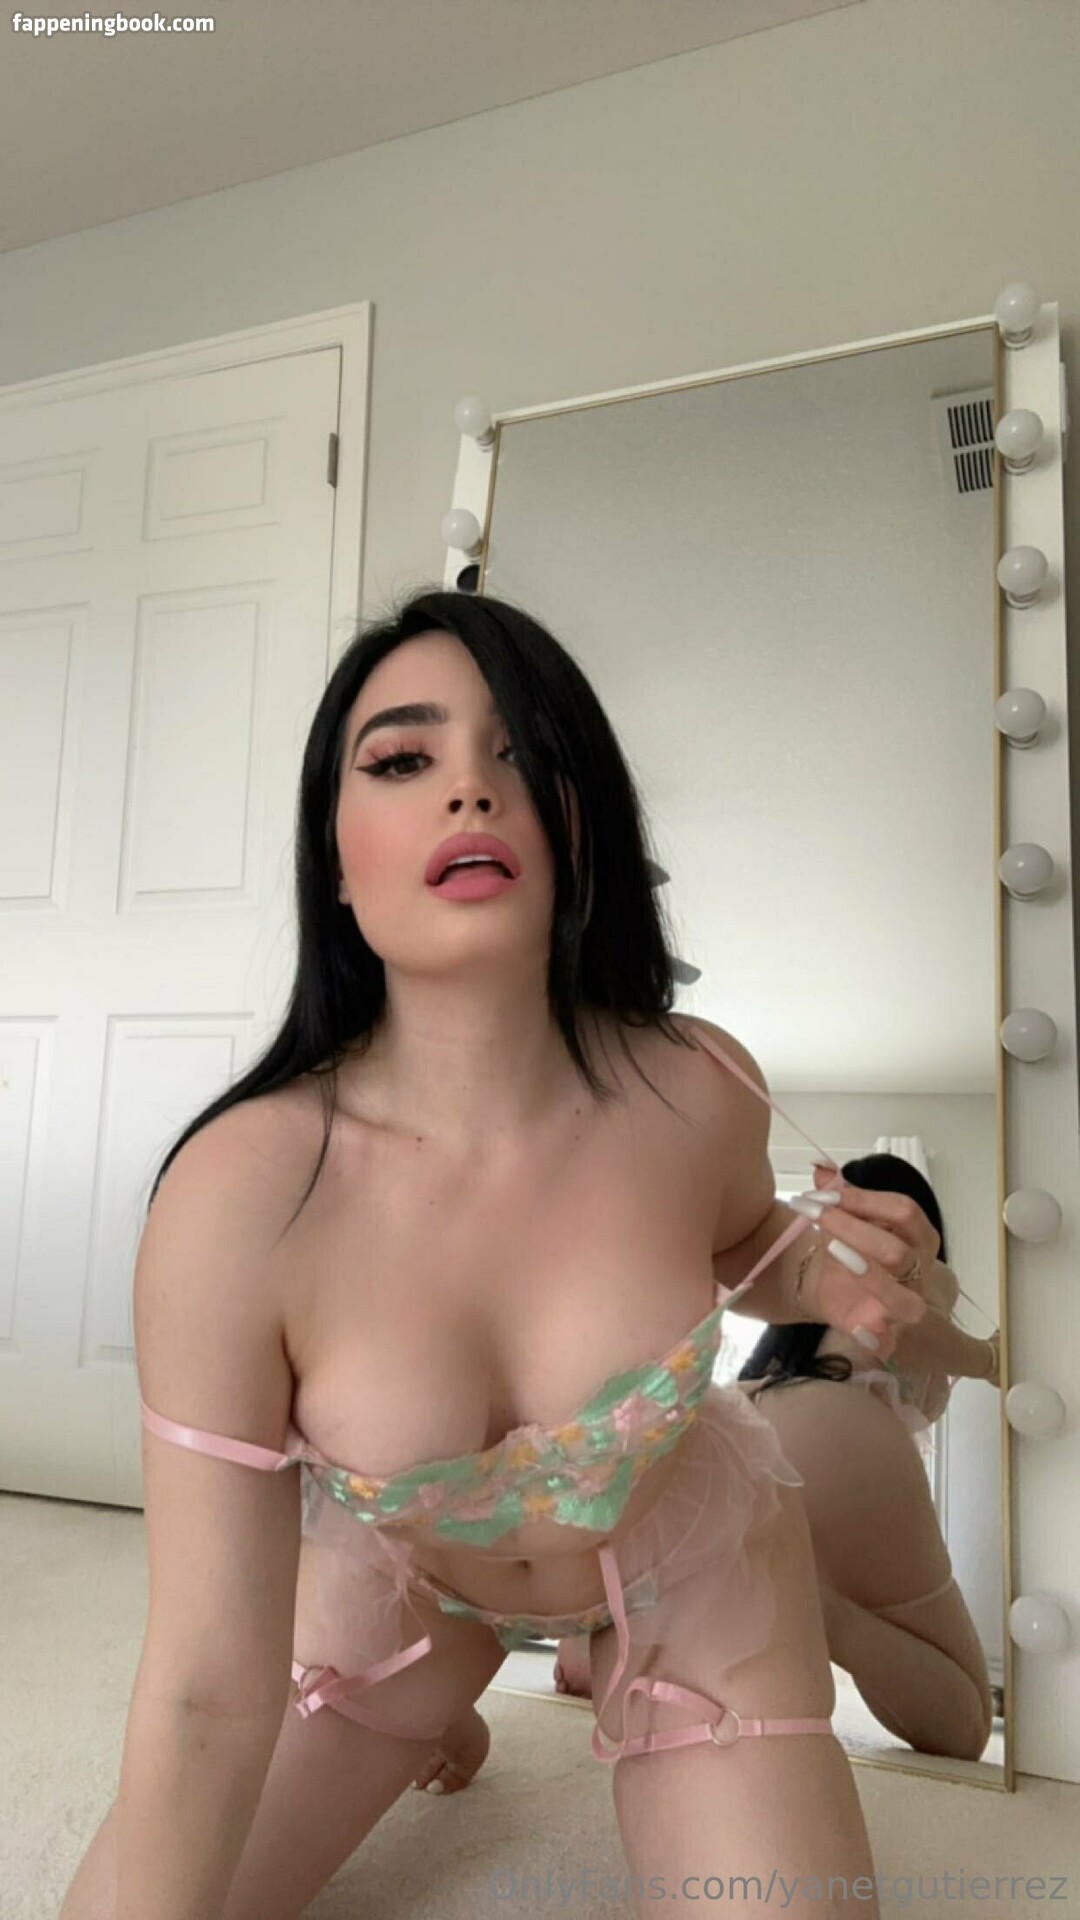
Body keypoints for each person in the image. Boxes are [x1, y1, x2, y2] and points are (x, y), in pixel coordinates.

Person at [61, 589, 932, 1920]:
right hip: (407, 1587)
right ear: (334, 859)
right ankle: (427, 1701)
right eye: (404, 759)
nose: (471, 787)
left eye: (522, 754)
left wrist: (825, 1272)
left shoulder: (701, 1088)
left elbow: (747, 1240)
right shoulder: (238, 1198)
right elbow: (200, 1687)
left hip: (690, 1566)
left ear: (583, 829)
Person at [555, 1155, 1000, 1765]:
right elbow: (905, 1334)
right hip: (841, 1425)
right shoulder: (921, 1272)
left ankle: (621, 1624)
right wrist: (992, 1360)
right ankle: (804, 1598)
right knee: (967, 1717)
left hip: (751, 1409)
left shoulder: (797, 1311)